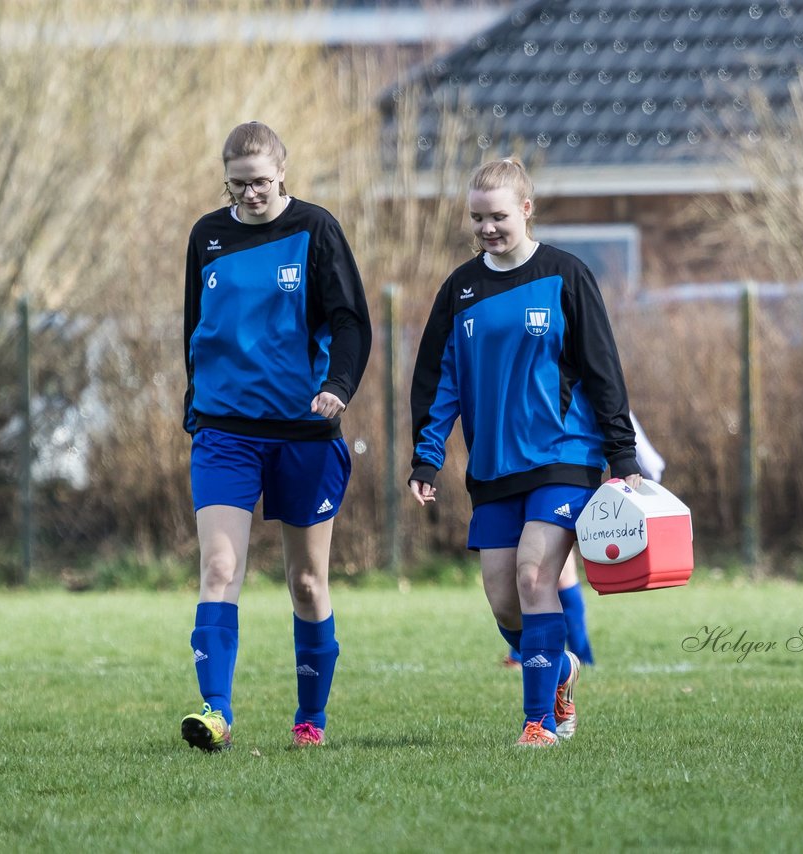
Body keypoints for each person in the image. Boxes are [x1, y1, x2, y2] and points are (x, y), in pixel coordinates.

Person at [408, 157, 641, 746]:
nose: (488, 228)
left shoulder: (567, 274)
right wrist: (426, 456)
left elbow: (602, 368)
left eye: (499, 216)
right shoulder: (459, 289)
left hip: (566, 455)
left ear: (527, 210)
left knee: (537, 574)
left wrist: (623, 458)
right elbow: (441, 381)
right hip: (493, 466)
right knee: (503, 598)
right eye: (477, 218)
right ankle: (559, 667)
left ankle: (538, 723)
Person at [179, 121, 371, 750]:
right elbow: (195, 327)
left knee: (307, 582)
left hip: (303, 431)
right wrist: (195, 401)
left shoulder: (315, 230)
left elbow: (350, 323)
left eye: (260, 181)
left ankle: (310, 719)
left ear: (283, 172)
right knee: (218, 566)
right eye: (238, 185)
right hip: (225, 430)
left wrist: (338, 389)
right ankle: (215, 713)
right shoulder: (207, 236)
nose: (250, 195)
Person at [501, 411, 665, 668]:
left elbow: (650, 464)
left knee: (545, 573)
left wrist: (629, 493)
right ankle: (561, 655)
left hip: (572, 488)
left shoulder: (598, 396)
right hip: (533, 481)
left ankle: (572, 656)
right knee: (539, 574)